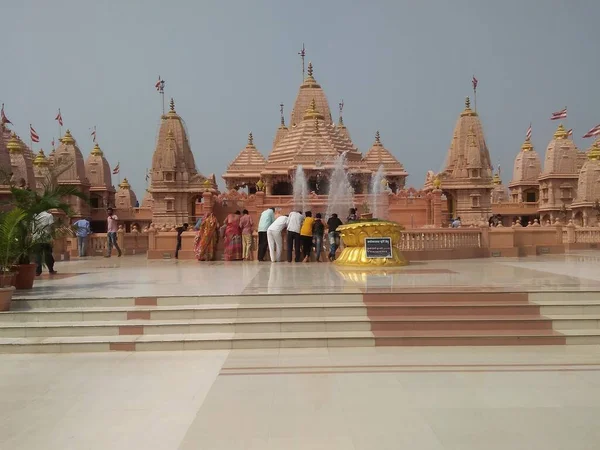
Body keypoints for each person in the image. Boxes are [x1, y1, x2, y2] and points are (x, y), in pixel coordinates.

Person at [33, 210, 57, 276]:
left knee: (37, 255)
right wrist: (53, 236)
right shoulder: (49, 215)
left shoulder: (34, 216)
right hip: (46, 238)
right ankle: (51, 269)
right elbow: (52, 227)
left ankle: (38, 271)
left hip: (36, 238)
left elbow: (32, 227)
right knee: (48, 254)